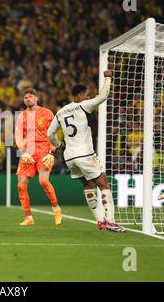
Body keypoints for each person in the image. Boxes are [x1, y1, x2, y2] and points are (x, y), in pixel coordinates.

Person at [47, 70, 125, 232]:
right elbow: (103, 96)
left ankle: (100, 220)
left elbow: (49, 134)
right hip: (85, 153)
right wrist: (108, 78)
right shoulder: (82, 106)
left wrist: (59, 144)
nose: (88, 98)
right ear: (77, 96)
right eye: (85, 95)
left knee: (88, 185)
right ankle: (110, 220)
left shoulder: (60, 112)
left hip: (70, 156)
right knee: (103, 184)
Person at [14, 88, 62, 226]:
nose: (27, 99)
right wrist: (23, 152)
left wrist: (51, 152)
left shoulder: (47, 113)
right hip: (28, 150)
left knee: (43, 181)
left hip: (44, 149)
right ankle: (29, 217)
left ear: (36, 98)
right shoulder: (21, 116)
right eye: (25, 97)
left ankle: (56, 208)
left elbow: (54, 135)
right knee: (21, 185)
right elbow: (18, 136)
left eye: (30, 97)